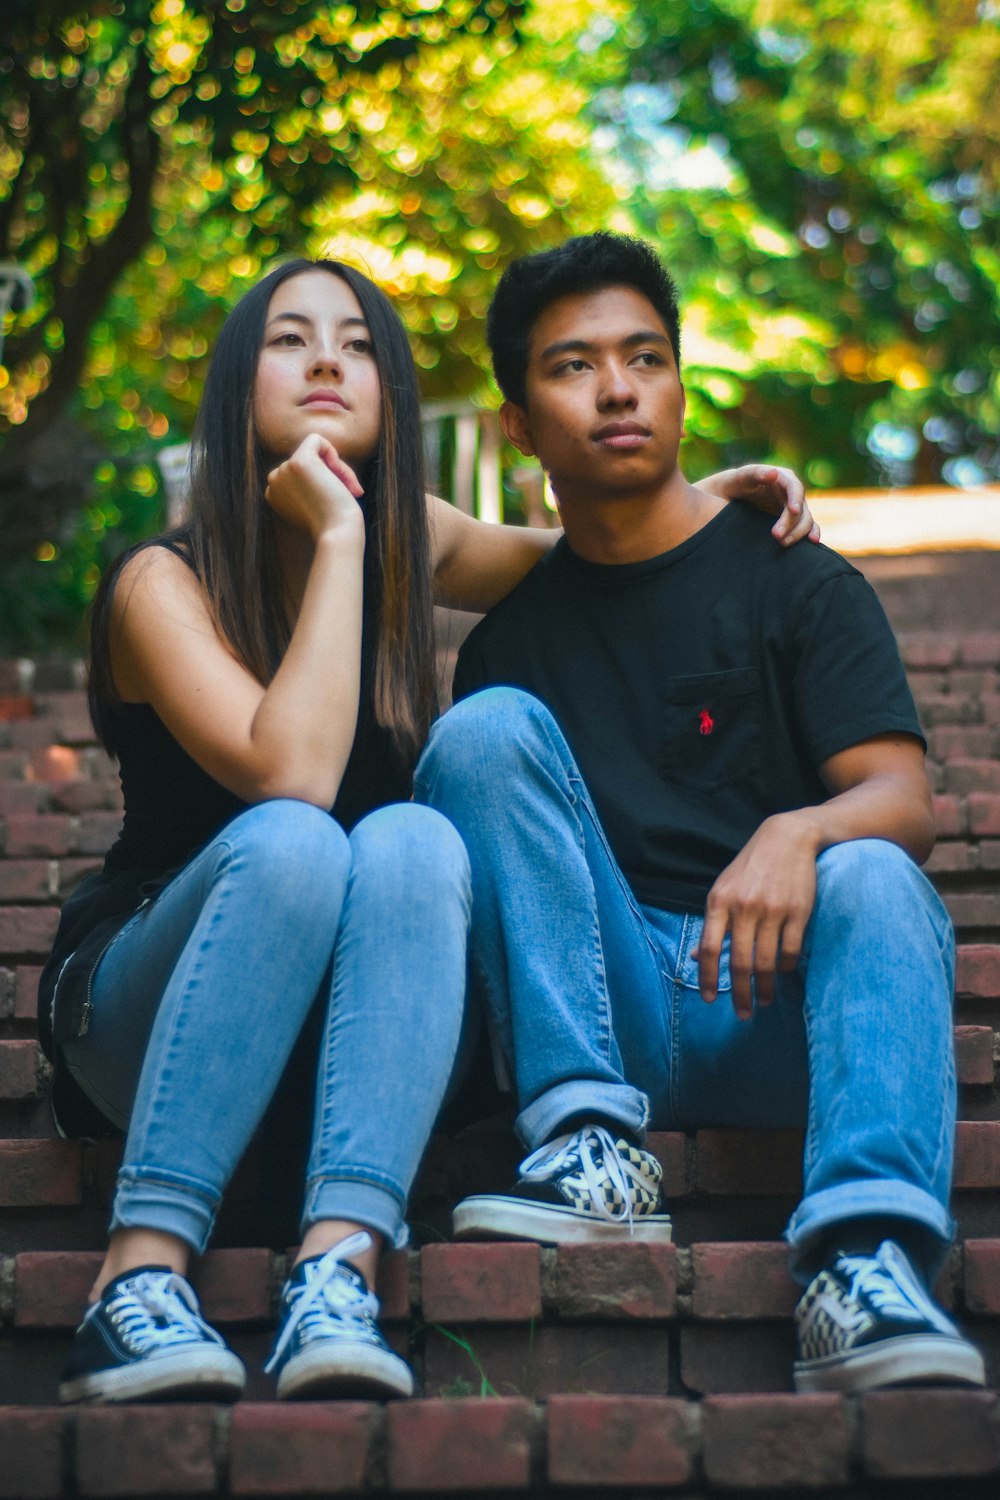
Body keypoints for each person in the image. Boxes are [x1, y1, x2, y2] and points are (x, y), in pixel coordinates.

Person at [38, 254, 813, 1407]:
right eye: (290, 338)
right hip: (154, 1003)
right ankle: (137, 1281)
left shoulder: (418, 536)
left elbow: (601, 552)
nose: (325, 362)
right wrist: (342, 546)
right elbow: (289, 779)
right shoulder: (162, 582)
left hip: (349, 1017)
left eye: (356, 344)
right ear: (233, 383)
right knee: (307, 842)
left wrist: (705, 507)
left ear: (390, 393)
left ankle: (335, 1273)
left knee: (415, 841)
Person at [414, 232, 987, 1395]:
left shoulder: (792, 576)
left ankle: (860, 1263)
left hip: (771, 1002)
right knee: (475, 734)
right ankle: (584, 1143)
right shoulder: (510, 642)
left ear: (679, 381)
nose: (618, 388)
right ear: (517, 424)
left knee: (876, 873)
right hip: (600, 999)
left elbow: (902, 802)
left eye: (645, 358)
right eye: (572, 366)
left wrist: (798, 830)